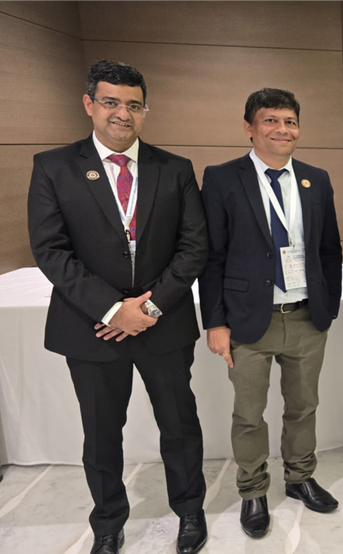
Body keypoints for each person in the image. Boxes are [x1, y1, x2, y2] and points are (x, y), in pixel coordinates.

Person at [27, 59, 210, 554]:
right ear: (89, 104)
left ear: (145, 111)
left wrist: (148, 310)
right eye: (111, 102)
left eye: (134, 104)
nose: (122, 113)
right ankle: (108, 522)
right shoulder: (54, 167)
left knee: (180, 425)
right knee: (102, 433)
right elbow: (51, 250)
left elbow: (194, 247)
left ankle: (190, 510)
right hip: (91, 328)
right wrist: (113, 310)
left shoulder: (174, 169)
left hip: (163, 323)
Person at [198, 87, 343, 537]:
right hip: (247, 319)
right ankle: (253, 490)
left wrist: (327, 306)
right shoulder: (222, 178)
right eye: (271, 121)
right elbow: (212, 256)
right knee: (249, 413)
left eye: (290, 121)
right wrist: (215, 321)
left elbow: (328, 249)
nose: (282, 129)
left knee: (304, 406)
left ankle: (300, 478)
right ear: (249, 127)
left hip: (305, 316)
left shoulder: (316, 179)